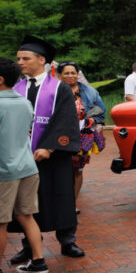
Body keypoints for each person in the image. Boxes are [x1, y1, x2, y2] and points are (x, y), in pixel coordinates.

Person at [9, 36, 84, 261]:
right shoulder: (16, 87)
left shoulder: (59, 88)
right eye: (18, 58)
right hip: (23, 157)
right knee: (25, 203)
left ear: (41, 60)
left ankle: (67, 241)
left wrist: (49, 147)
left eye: (25, 58)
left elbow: (65, 120)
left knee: (60, 196)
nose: (20, 62)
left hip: (53, 156)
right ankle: (29, 245)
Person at [0, 57, 48, 273]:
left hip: (4, 171)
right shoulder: (23, 102)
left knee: (0, 222)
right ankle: (38, 261)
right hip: (27, 167)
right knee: (26, 215)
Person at [57, 62, 106, 202]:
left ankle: (72, 204)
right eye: (66, 73)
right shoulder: (54, 92)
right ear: (60, 75)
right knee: (61, 170)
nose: (70, 76)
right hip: (60, 137)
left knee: (77, 169)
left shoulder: (90, 92)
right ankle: (61, 202)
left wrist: (95, 122)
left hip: (82, 137)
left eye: (73, 73)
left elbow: (101, 112)